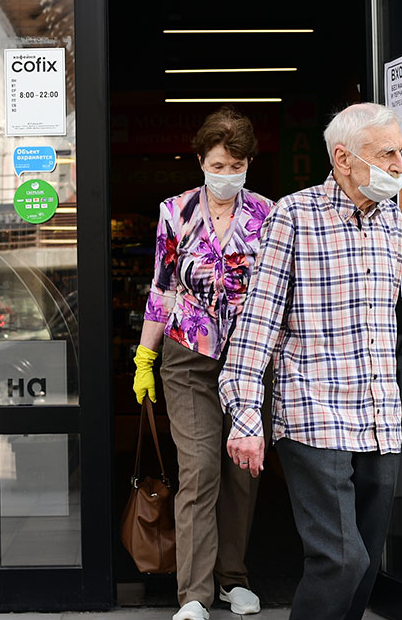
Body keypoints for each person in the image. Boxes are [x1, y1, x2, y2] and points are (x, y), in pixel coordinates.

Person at [218, 103, 402, 620]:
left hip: (379, 418)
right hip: (314, 414)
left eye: (400, 152)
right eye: (387, 152)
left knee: (365, 564)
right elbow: (257, 323)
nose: (398, 164)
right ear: (344, 158)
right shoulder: (294, 216)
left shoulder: (393, 218)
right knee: (340, 559)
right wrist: (245, 416)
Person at [132, 106, 274, 620]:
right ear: (200, 160)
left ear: (248, 163)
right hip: (187, 357)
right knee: (198, 470)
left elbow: (277, 293)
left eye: (234, 165)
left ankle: (234, 578)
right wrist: (145, 355)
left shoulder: (268, 215)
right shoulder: (175, 212)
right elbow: (163, 288)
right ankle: (194, 593)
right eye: (216, 164)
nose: (225, 173)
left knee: (242, 472)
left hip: (248, 358)